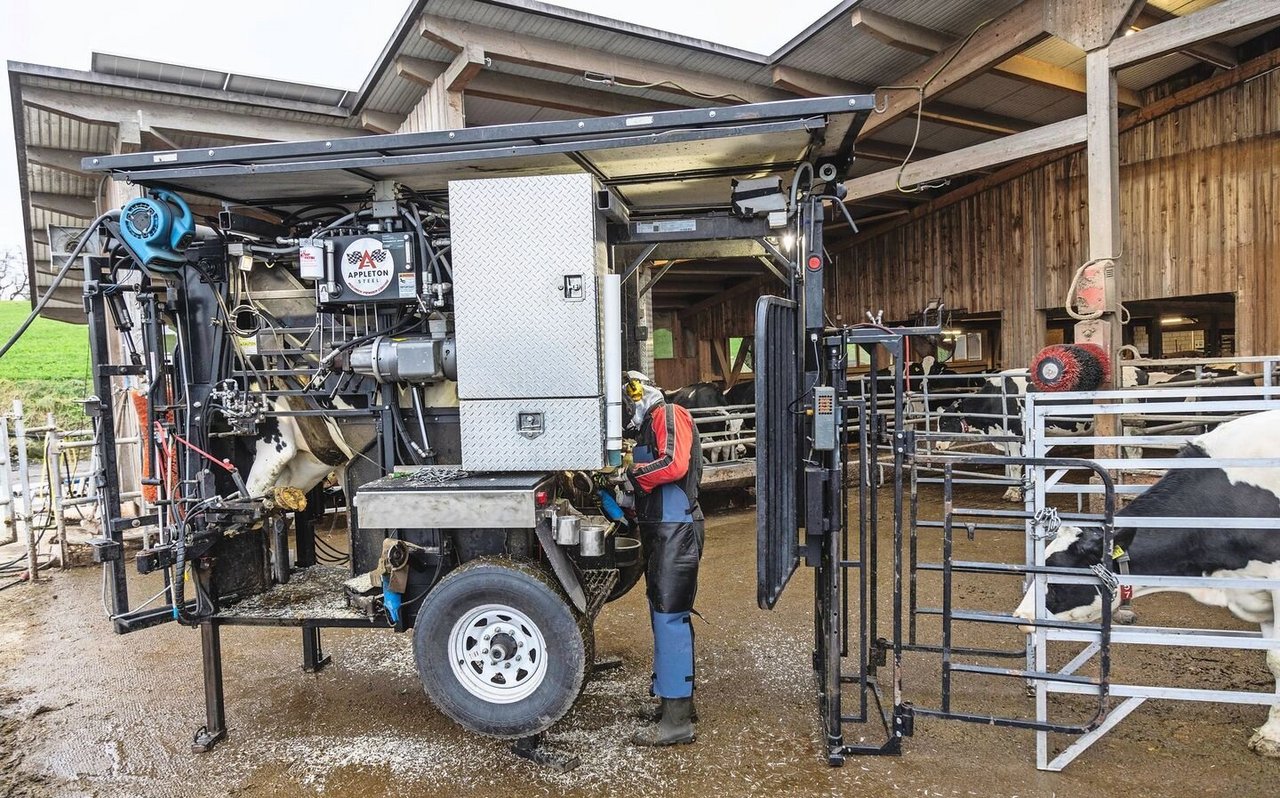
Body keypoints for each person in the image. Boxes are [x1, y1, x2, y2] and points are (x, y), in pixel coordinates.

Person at [618, 372, 704, 746]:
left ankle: (677, 724)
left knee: (670, 618)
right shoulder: (648, 426)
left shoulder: (668, 413)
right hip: (662, 529)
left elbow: (673, 464)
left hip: (676, 528)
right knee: (663, 614)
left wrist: (632, 475)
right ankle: (674, 702)